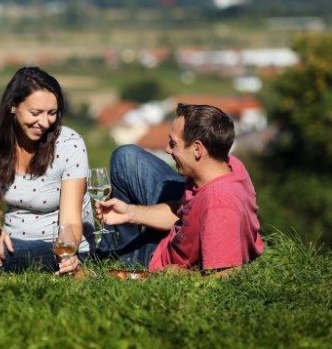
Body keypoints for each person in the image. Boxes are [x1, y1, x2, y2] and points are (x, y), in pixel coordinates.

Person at [96, 103, 264, 274]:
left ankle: (119, 261)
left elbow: (226, 274)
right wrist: (130, 213)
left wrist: (177, 273)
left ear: (197, 149)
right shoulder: (226, 164)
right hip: (177, 235)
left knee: (97, 258)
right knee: (125, 157)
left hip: (157, 259)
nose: (167, 149)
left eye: (173, 143)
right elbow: (182, 211)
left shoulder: (219, 205)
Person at [0, 66, 94, 275]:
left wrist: (66, 252)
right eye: (35, 113)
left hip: (57, 246)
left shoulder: (70, 145)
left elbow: (70, 222)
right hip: (10, 241)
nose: (45, 122)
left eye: (52, 113)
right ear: (14, 106)